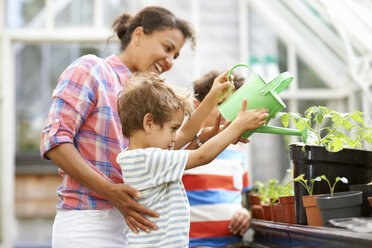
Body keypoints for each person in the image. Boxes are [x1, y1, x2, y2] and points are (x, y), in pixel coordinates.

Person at [40, 6, 197, 247]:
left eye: (175, 55)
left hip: (133, 226)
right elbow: (55, 141)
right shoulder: (92, 69)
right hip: (88, 222)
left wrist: (206, 135)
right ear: (138, 35)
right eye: (167, 48)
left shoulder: (148, 98)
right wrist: (111, 192)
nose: (170, 61)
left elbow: (162, 150)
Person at [116, 72, 269, 247]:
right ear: (149, 123)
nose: (175, 138)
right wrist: (237, 126)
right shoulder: (147, 158)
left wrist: (212, 96)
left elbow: (186, 133)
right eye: (172, 129)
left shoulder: (141, 155)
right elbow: (202, 156)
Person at [183, 70, 251, 247]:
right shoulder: (184, 150)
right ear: (198, 106)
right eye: (220, 103)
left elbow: (243, 200)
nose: (228, 112)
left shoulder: (239, 152)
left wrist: (245, 213)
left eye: (234, 104)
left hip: (234, 244)